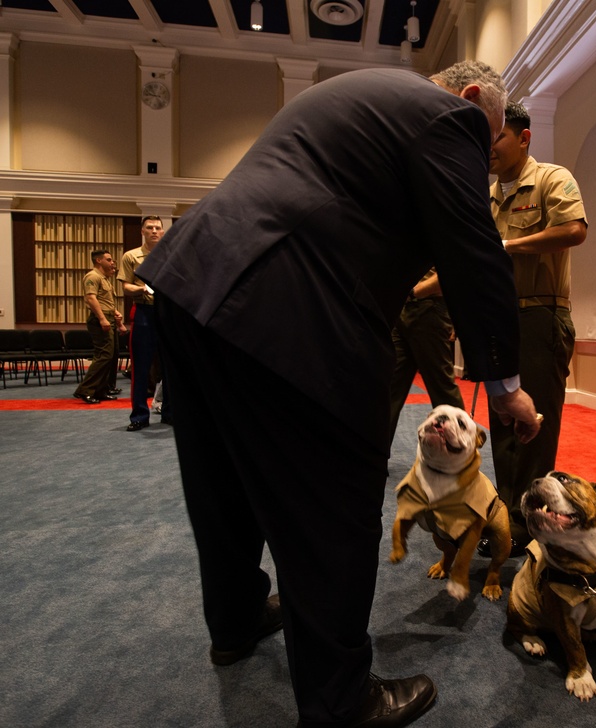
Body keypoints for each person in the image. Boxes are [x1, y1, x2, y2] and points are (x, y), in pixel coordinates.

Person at [137, 61, 542, 728]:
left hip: (194, 277)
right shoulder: (451, 115)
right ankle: (340, 701)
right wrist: (505, 387)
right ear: (474, 100)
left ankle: (236, 620)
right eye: (493, 136)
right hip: (288, 302)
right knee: (332, 501)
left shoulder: (361, 90)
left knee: (219, 477)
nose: (489, 153)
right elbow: (475, 253)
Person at [482, 101, 587, 553]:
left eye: (497, 137)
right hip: (500, 317)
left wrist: (508, 245)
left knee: (535, 422)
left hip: (541, 315)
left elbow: (574, 229)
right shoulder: (487, 196)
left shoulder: (550, 178)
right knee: (504, 419)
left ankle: (531, 522)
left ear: (524, 138)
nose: (488, 148)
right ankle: (507, 514)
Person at [387, 268, 465, 438]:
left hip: (429, 308)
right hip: (402, 308)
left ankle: (464, 456)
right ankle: (373, 456)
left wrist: (414, 291)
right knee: (389, 387)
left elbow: (453, 269)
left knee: (442, 389)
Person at [118, 215, 170, 431]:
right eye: (150, 227)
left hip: (167, 314)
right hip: (143, 312)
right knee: (140, 367)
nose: (154, 231)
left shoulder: (169, 255)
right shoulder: (131, 256)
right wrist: (141, 288)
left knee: (170, 368)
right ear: (142, 231)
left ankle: (170, 412)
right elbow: (125, 287)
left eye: (158, 227)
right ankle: (139, 415)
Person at [73, 250, 126, 405]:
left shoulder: (105, 279)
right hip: (100, 319)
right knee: (104, 355)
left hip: (108, 317)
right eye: (109, 260)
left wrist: (116, 316)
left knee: (112, 355)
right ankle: (86, 390)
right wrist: (103, 319)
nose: (112, 263)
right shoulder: (93, 276)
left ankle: (101, 390)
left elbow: (106, 302)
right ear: (98, 260)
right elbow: (91, 298)